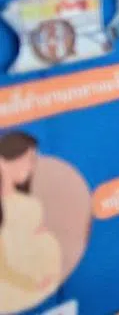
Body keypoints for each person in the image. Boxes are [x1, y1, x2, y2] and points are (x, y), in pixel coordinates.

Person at [0, 131, 63, 314]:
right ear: (4, 161)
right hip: (18, 286)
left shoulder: (30, 202)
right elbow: (3, 266)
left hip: (43, 283)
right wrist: (32, 284)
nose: (32, 166)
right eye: (29, 159)